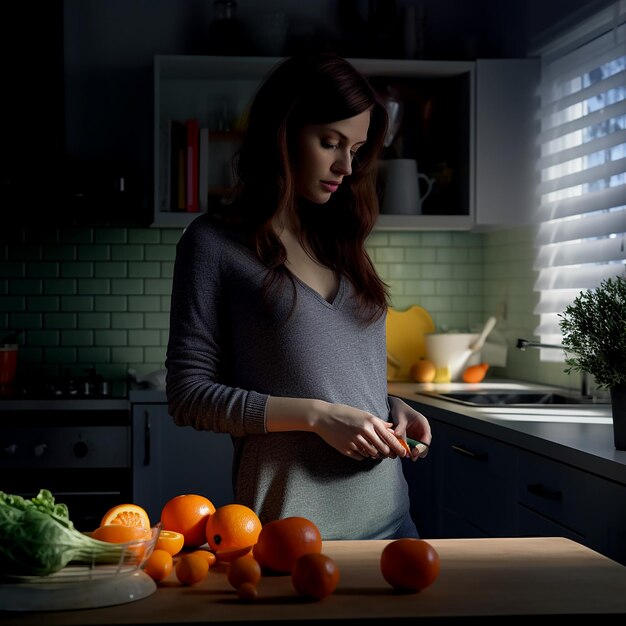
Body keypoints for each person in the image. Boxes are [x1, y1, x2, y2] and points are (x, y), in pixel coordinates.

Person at [165, 52, 432, 540]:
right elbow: (188, 396)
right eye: (329, 142)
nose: (344, 166)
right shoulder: (213, 244)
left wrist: (387, 407)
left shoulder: (343, 244)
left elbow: (337, 371)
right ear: (282, 132)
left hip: (394, 523)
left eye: (355, 148)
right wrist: (316, 417)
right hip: (289, 535)